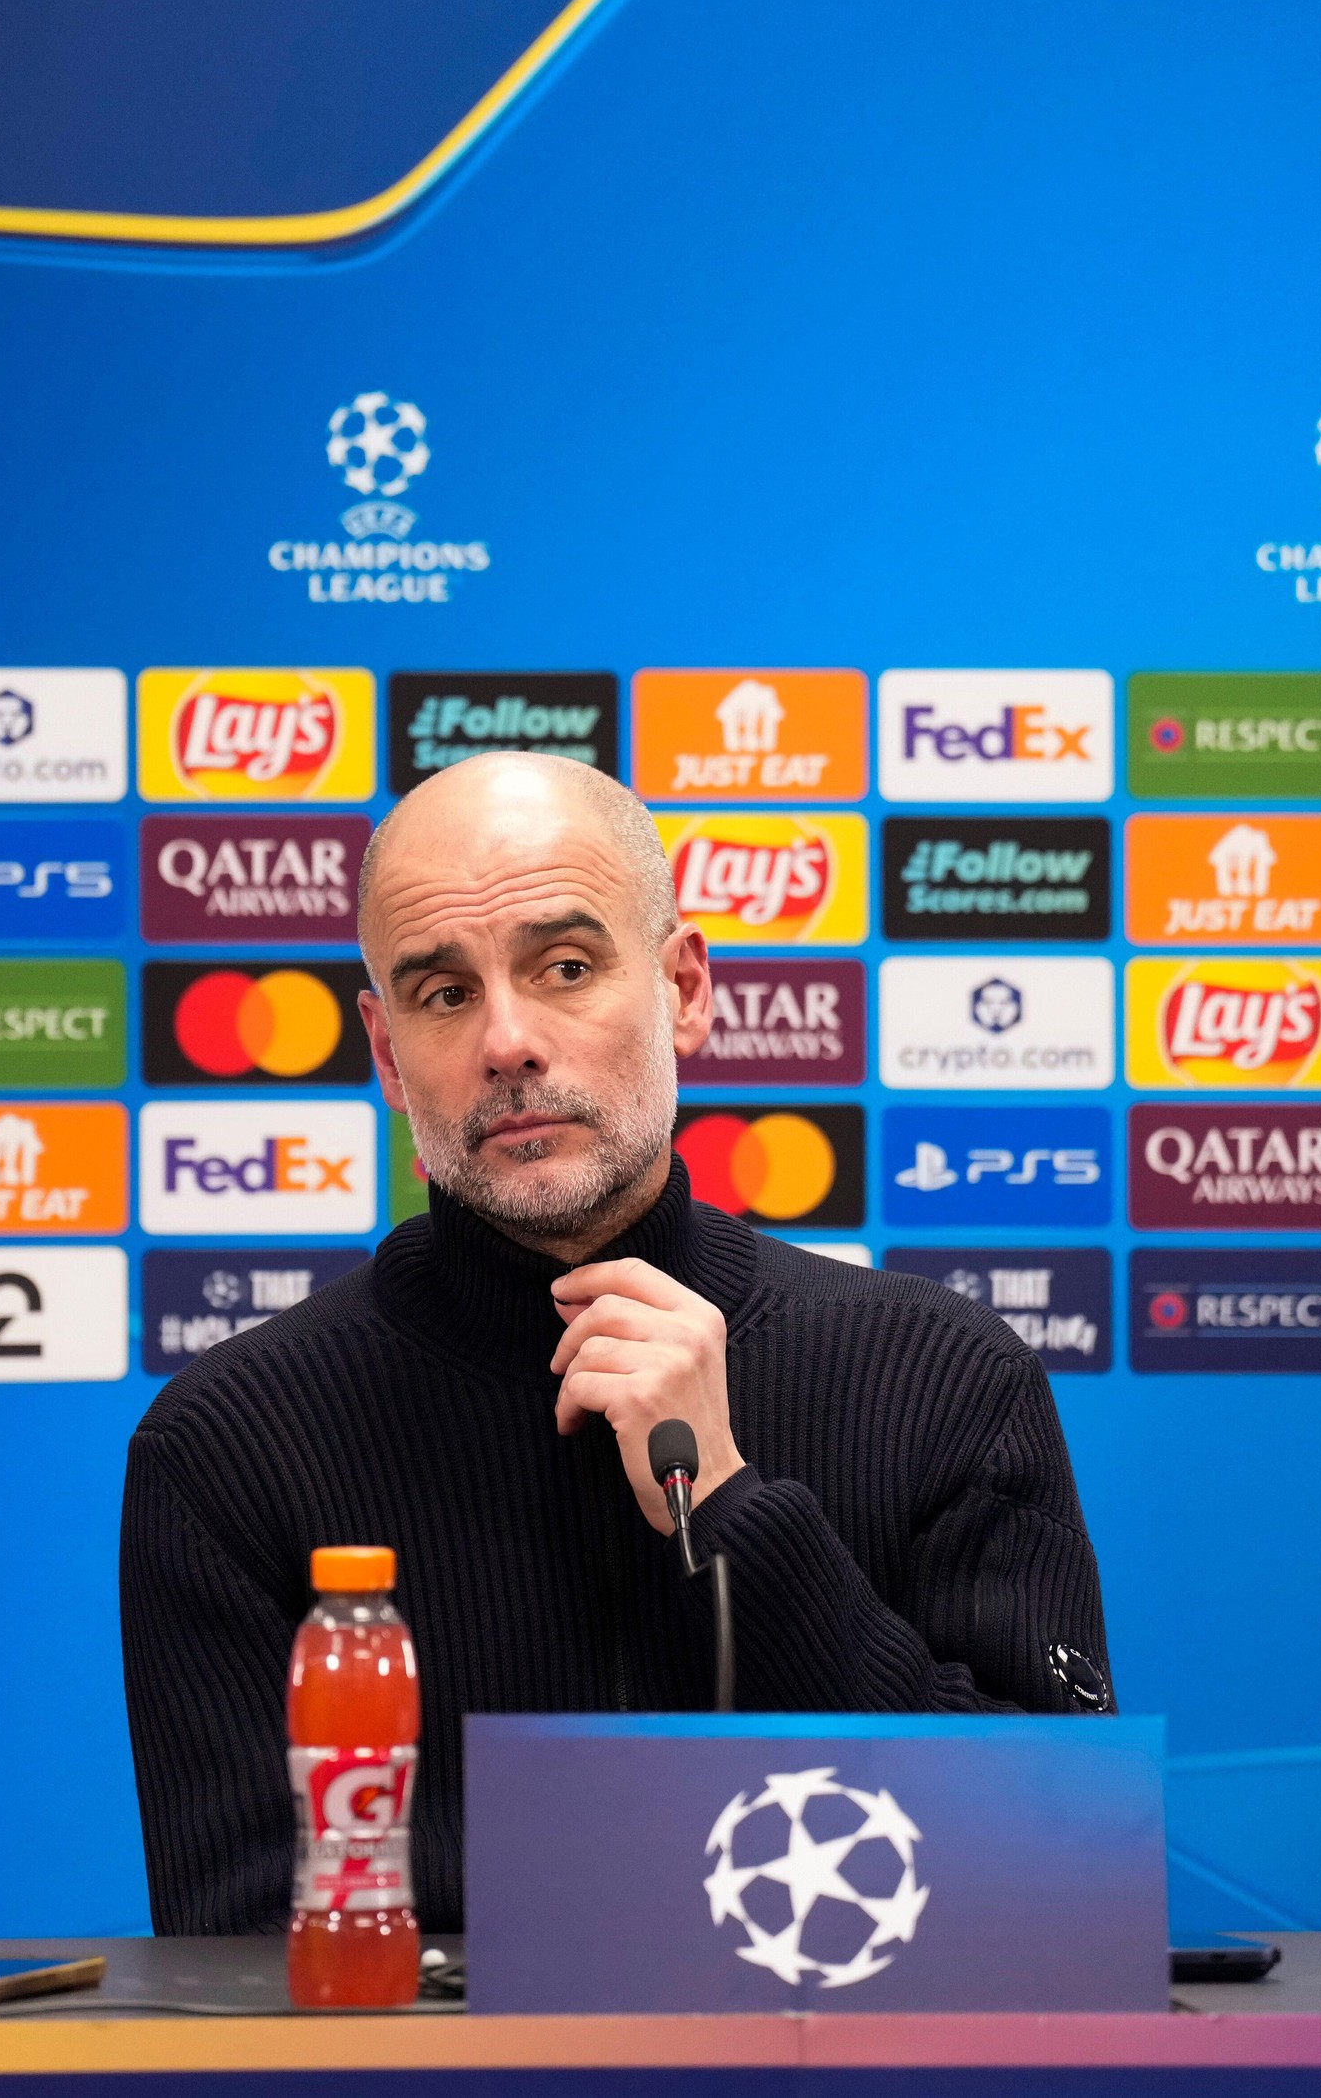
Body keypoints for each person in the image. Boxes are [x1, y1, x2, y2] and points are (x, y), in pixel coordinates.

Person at [119, 751, 1116, 1935]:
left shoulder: (944, 1376)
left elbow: (1060, 1884)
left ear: (686, 985)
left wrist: (738, 1510)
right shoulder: (232, 1445)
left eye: (568, 966)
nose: (507, 1041)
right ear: (387, 1054)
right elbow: (238, 1979)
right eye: (443, 994)